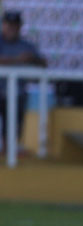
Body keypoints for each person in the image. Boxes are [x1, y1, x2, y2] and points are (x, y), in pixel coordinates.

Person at [0, 11, 46, 152]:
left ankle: (9, 154)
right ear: (3, 25)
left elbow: (43, 63)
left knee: (13, 126)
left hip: (17, 93)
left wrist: (32, 59)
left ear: (20, 27)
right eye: (9, 25)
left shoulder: (26, 45)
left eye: (15, 25)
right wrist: (18, 60)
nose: (12, 28)